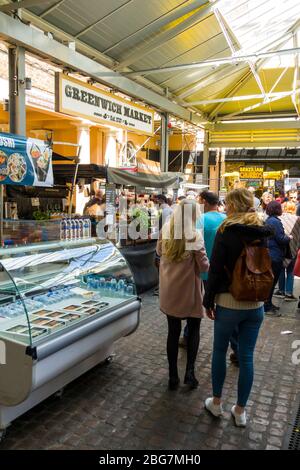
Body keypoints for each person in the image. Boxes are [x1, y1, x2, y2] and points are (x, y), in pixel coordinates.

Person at [203, 188, 273, 427]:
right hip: (255, 305)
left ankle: (216, 403)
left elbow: (215, 269)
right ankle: (241, 411)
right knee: (246, 357)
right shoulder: (262, 231)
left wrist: (208, 300)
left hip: (228, 303)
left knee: (219, 352)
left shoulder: (226, 231)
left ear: (233, 205)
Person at [156, 199, 209, 390]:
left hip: (170, 290)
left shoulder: (167, 230)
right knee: (194, 329)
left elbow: (159, 251)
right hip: (189, 291)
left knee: (173, 332)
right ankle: (190, 373)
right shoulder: (195, 235)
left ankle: (172, 376)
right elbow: (204, 266)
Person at [264, 201, 292, 315]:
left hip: (271, 254)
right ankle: (267, 306)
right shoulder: (275, 221)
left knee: (271, 281)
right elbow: (280, 239)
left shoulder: (269, 220)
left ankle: (268, 303)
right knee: (271, 282)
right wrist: (289, 237)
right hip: (274, 255)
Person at [275, 202, 300, 301]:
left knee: (281, 269)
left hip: (282, 247)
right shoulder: (298, 219)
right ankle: (288, 293)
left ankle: (281, 290)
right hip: (293, 247)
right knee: (290, 270)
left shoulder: (280, 219)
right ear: (294, 208)